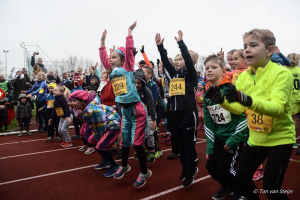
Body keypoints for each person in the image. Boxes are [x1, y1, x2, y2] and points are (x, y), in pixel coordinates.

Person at [208, 29, 295, 200]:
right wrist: (222, 101)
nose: (246, 49)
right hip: (256, 138)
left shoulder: (282, 73)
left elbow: (277, 108)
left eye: (253, 45)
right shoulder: (242, 78)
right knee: (240, 180)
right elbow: (239, 109)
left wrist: (246, 99)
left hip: (280, 138)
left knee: (271, 188)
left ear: (270, 50)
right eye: (245, 46)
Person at [99, 21, 151, 188]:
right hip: (124, 110)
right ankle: (124, 166)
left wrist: (129, 32)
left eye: (114, 57)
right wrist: (102, 43)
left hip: (137, 110)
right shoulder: (112, 72)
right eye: (111, 57)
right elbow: (105, 60)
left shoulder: (128, 68)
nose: (111, 60)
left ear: (123, 60)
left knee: (137, 143)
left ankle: (144, 172)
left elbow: (129, 52)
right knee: (124, 142)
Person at [156, 30, 198, 187]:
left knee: (188, 146)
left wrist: (181, 45)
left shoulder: (191, 76)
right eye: (176, 59)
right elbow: (166, 63)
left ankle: (191, 170)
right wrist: (160, 47)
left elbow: (187, 58)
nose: (177, 61)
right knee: (179, 145)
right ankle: (185, 168)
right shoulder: (174, 75)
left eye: (180, 59)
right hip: (175, 114)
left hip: (188, 113)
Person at [204, 54, 248, 200]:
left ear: (223, 71)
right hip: (218, 137)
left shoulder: (230, 90)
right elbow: (209, 122)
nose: (209, 70)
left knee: (225, 167)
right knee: (211, 166)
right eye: (206, 68)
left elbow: (243, 117)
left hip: (233, 137)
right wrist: (210, 146)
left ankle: (242, 190)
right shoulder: (207, 95)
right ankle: (228, 186)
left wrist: (233, 140)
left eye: (213, 67)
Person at [71, 90, 122, 177]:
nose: (72, 103)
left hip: (113, 124)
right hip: (105, 125)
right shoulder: (87, 109)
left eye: (74, 101)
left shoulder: (93, 110)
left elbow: (101, 127)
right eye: (72, 101)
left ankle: (114, 166)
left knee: (101, 145)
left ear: (83, 101)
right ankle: (106, 161)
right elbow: (94, 124)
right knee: (92, 140)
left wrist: (101, 140)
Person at [135, 69, 157, 164]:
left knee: (149, 133)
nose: (137, 85)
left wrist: (153, 119)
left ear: (143, 83)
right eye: (135, 83)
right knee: (138, 133)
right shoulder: (132, 91)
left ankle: (152, 150)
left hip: (148, 114)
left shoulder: (147, 91)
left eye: (139, 83)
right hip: (137, 115)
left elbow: (151, 105)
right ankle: (141, 148)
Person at [142, 66, 165, 159]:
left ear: (149, 75)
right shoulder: (140, 85)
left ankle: (158, 150)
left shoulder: (152, 84)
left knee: (152, 127)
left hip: (158, 109)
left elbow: (153, 100)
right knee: (144, 128)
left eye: (143, 72)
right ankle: (148, 147)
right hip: (147, 109)